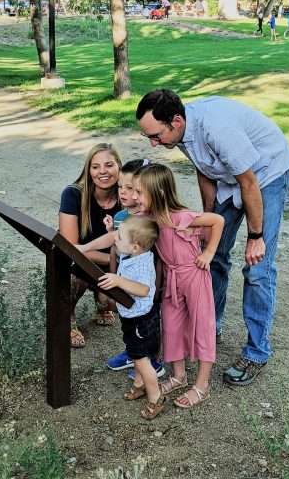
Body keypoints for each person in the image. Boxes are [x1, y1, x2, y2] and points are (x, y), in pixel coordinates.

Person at [136, 90, 289, 387]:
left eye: (156, 136)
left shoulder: (217, 129)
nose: (153, 143)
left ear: (176, 121)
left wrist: (255, 236)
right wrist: (206, 222)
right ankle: (211, 326)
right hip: (231, 177)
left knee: (258, 268)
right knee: (213, 254)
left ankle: (257, 352)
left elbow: (249, 183)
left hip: (266, 174)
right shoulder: (180, 133)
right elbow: (205, 170)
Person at [134, 164, 224, 409]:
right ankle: (178, 376)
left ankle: (202, 385)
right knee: (171, 327)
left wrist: (208, 252)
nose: (135, 197)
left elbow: (217, 220)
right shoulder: (149, 219)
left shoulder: (182, 217)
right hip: (172, 280)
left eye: (139, 192)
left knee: (202, 326)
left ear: (158, 194)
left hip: (194, 276)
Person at [95, 217, 166, 419]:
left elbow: (143, 289)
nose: (114, 239)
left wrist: (118, 280)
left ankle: (156, 397)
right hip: (132, 317)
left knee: (143, 360)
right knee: (136, 354)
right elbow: (120, 247)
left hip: (141, 321)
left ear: (135, 247)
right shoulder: (132, 254)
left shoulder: (142, 266)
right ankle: (139, 384)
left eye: (118, 237)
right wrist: (111, 229)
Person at [103, 159, 165, 378]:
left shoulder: (150, 222)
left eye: (131, 188)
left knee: (146, 326)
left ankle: (151, 362)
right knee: (131, 326)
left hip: (144, 286)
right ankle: (134, 355)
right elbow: (116, 252)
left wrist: (157, 288)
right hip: (126, 282)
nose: (124, 193)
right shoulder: (122, 218)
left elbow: (158, 261)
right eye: (121, 187)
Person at [59, 143, 122, 348]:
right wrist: (115, 260)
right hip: (79, 262)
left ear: (119, 167)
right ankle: (66, 319)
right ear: (88, 170)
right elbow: (71, 248)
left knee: (111, 304)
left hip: (112, 263)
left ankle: (101, 300)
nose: (102, 171)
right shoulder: (73, 194)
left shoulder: (128, 196)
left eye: (109, 165)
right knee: (75, 272)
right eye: (95, 167)